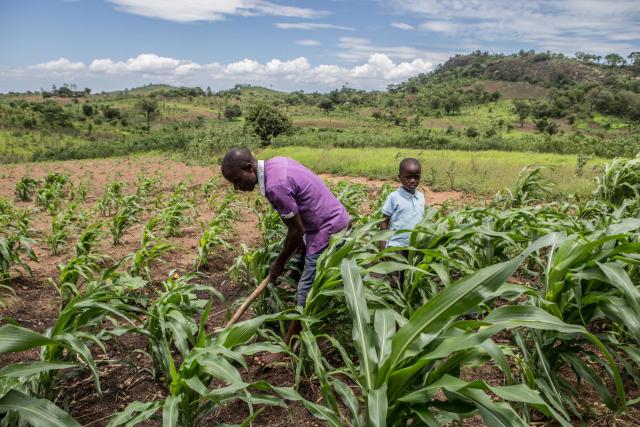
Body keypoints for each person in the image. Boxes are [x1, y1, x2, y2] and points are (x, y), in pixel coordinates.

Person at [221, 148, 350, 363]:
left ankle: (286, 348)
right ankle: (294, 321)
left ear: (248, 168)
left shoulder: (275, 186)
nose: (237, 187)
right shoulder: (277, 163)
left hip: (327, 229)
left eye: (237, 180)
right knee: (301, 273)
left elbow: (296, 231)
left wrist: (279, 262)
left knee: (305, 289)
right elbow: (297, 226)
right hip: (322, 223)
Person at [380, 158, 425, 253]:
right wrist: (382, 244)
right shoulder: (394, 197)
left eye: (416, 177)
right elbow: (384, 221)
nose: (412, 180)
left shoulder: (420, 196)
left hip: (416, 245)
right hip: (397, 246)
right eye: (408, 177)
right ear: (399, 177)